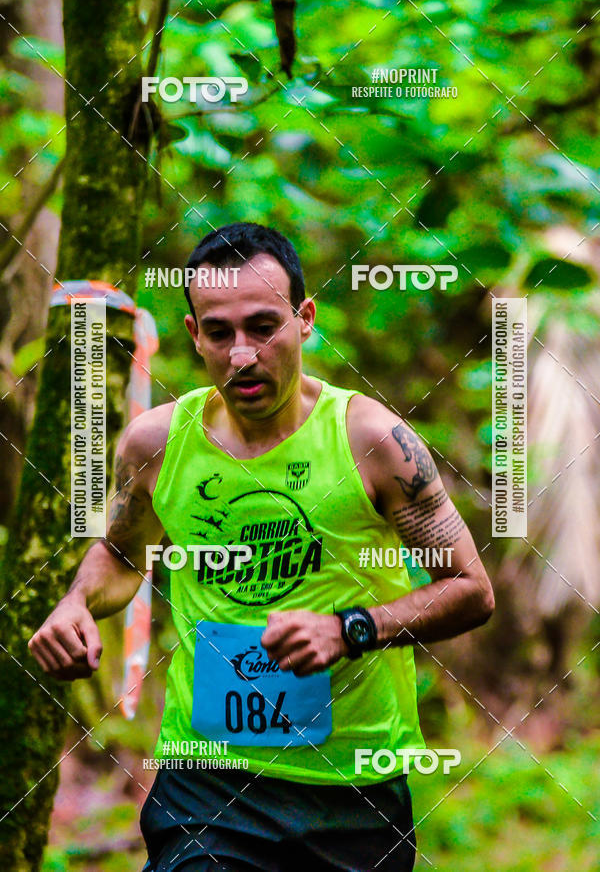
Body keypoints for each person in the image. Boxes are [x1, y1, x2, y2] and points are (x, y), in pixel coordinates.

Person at [29, 222, 495, 872]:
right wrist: (77, 602)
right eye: (219, 333)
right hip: (206, 784)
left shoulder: (373, 441)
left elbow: (471, 591)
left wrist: (351, 629)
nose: (242, 355)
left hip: (351, 788)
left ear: (305, 320)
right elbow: (123, 554)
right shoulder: (156, 444)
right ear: (194, 334)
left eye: (264, 327)